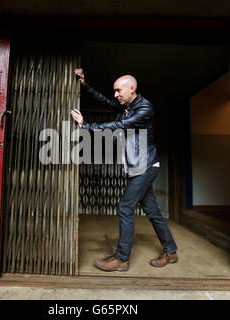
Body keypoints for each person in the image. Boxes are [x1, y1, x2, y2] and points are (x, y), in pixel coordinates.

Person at [70, 68, 178, 272]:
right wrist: (85, 85)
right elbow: (104, 101)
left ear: (132, 88)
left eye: (119, 90)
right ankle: (171, 251)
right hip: (138, 166)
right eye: (115, 91)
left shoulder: (144, 108)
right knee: (153, 211)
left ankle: (122, 259)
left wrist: (87, 126)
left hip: (144, 166)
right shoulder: (125, 106)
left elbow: (120, 125)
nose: (115, 95)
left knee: (125, 208)